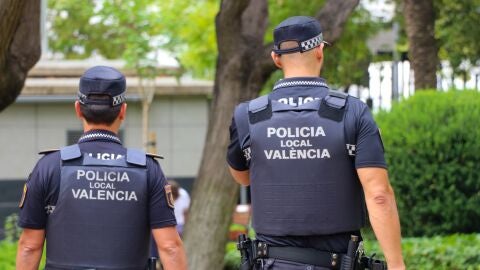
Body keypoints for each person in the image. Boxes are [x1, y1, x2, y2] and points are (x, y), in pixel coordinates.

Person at [227, 16, 405, 270]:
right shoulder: (352, 112)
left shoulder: (247, 115)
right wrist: (397, 265)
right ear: (320, 51)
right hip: (336, 262)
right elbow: (378, 195)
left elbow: (243, 177)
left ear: (276, 59)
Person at [16, 66, 187, 270]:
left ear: (78, 109)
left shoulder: (50, 166)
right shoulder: (147, 169)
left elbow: (29, 247)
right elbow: (170, 247)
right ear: (122, 111)